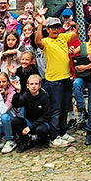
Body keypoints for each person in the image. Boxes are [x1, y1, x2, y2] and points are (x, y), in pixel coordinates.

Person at [34, 12, 76, 147]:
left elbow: (77, 34)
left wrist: (76, 20)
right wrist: (40, 23)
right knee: (56, 109)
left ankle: (63, 132)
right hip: (54, 81)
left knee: (65, 107)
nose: (56, 30)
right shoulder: (46, 41)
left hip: (66, 79)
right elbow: (37, 41)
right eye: (53, 27)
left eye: (58, 27)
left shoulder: (63, 37)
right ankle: (54, 136)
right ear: (48, 29)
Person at [10, 73, 52, 151]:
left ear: (39, 85)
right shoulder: (26, 95)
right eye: (31, 84)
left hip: (42, 123)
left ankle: (43, 139)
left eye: (36, 84)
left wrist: (31, 127)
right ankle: (26, 141)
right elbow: (16, 104)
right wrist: (17, 92)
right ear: (27, 86)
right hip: (30, 121)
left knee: (41, 130)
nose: (33, 86)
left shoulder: (44, 97)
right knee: (16, 121)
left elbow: (46, 116)